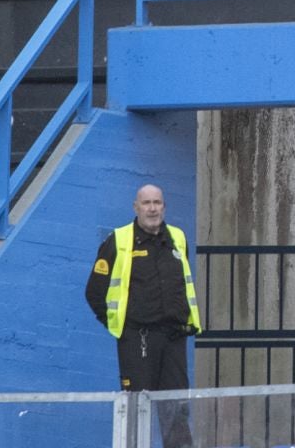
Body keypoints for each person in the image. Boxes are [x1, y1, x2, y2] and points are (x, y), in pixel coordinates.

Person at [84, 185, 199, 447]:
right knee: (136, 409)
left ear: (164, 206)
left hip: (173, 338)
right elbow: (94, 292)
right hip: (138, 340)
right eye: (146, 203)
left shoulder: (177, 238)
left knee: (177, 409)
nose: (152, 208)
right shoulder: (119, 241)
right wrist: (121, 327)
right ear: (136, 208)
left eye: (157, 202)